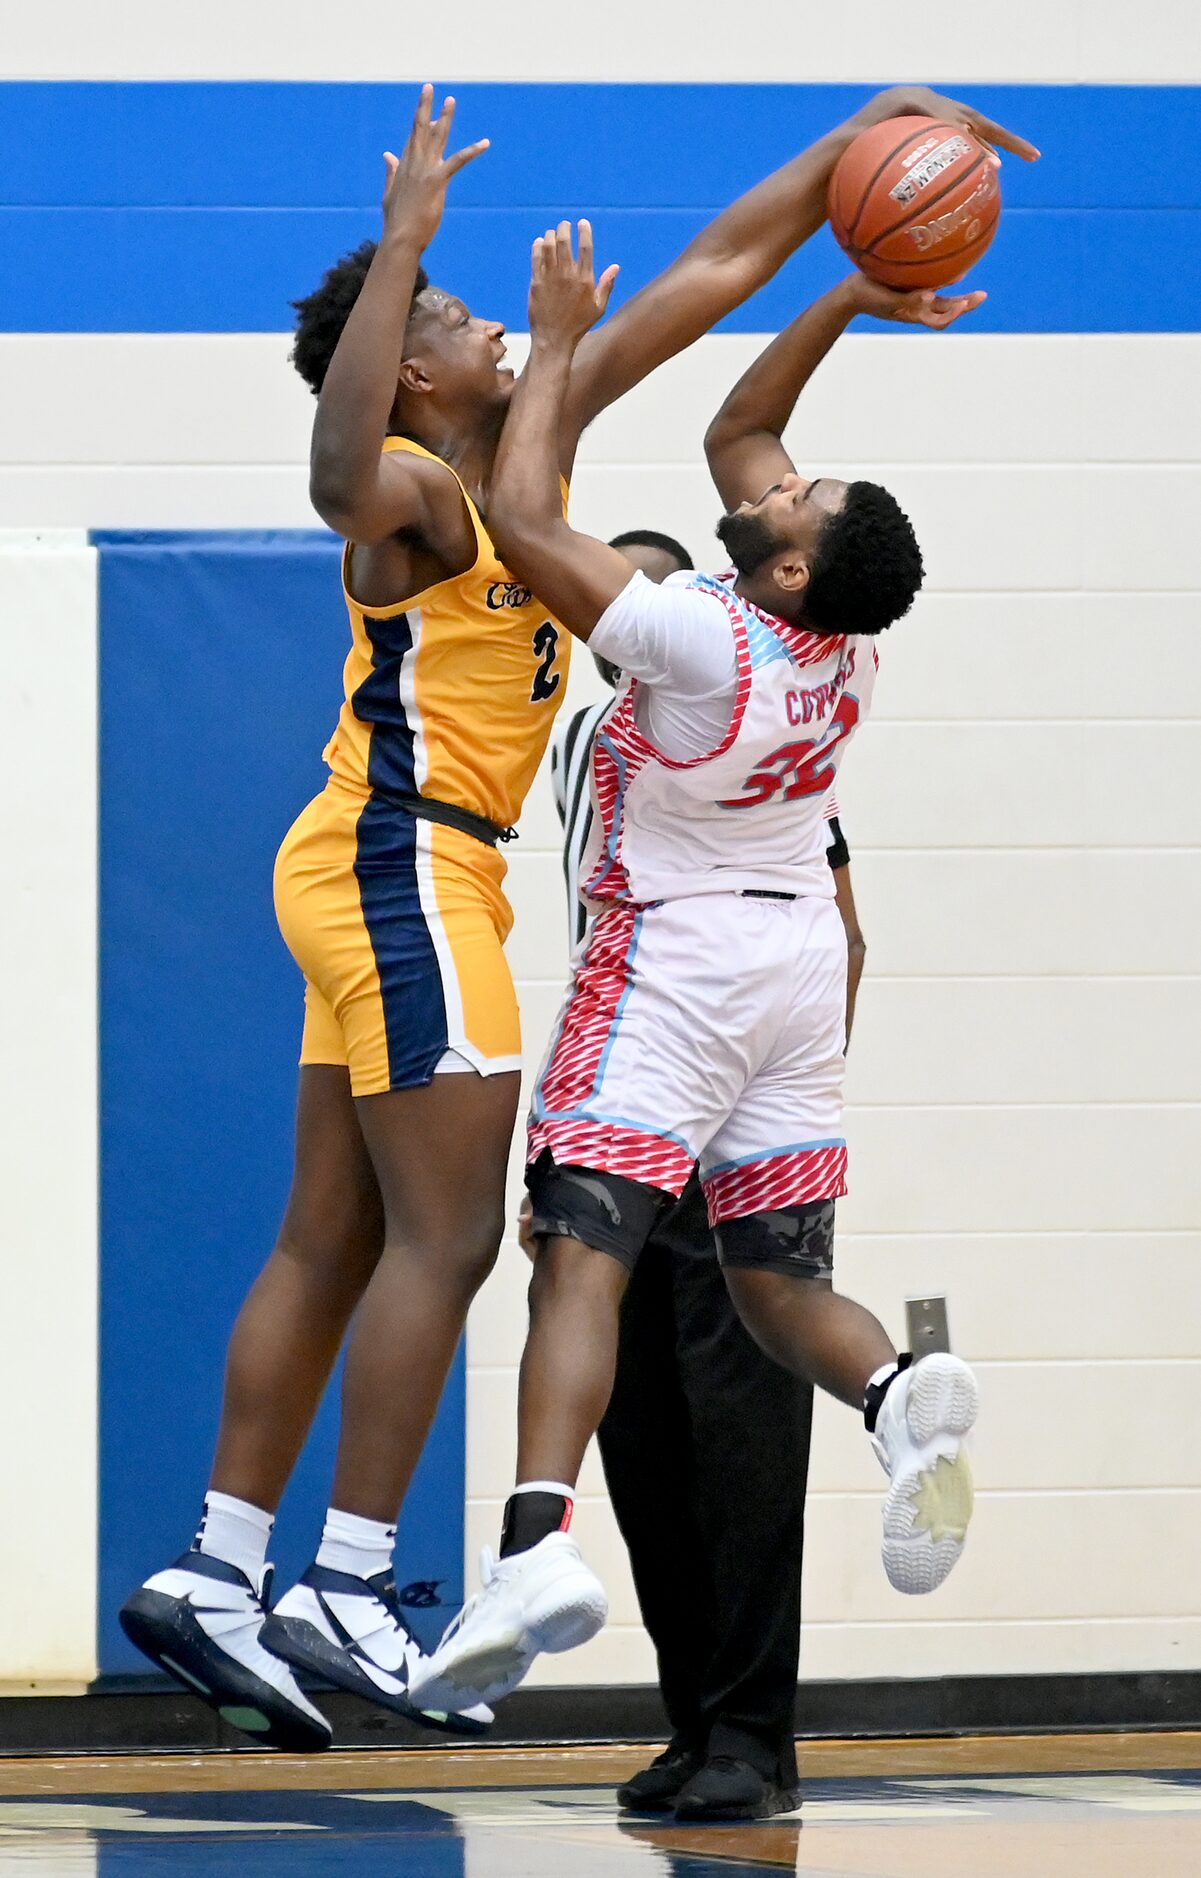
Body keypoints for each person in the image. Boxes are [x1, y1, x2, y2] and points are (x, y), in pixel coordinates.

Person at [121, 83, 1037, 1753]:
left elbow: (706, 271)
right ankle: (347, 1577)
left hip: (385, 860)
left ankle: (219, 1563)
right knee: (456, 1235)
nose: (490, 326)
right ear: (410, 365)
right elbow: (332, 470)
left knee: (332, 1233)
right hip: (403, 856)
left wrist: (849, 157)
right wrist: (401, 246)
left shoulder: (513, 443)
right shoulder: (407, 478)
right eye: (455, 319)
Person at [410, 225, 1000, 1722]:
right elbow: (739, 425)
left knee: (577, 1250)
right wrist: (851, 297)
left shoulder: (691, 639)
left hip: (676, 957)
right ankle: (896, 1396)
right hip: (795, 961)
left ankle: (534, 1544)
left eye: (799, 498)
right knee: (774, 1279)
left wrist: (553, 340)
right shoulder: (839, 644)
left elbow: (526, 507)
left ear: (789, 561)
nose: (777, 479)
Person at [548, 529, 865, 1819]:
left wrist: (777, 1124)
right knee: (640, 1440)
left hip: (733, 1126)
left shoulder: (756, 720)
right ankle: (697, 1720)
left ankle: (756, 1735)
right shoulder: (590, 745)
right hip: (630, 1094)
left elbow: (841, 935)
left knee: (745, 1438)